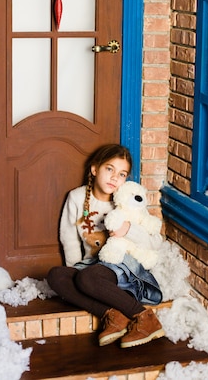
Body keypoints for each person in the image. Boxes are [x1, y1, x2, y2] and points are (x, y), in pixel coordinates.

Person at [47, 143, 165, 348]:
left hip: (125, 269)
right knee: (56, 275)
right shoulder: (76, 197)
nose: (114, 178)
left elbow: (155, 242)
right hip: (92, 269)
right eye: (109, 169)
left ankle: (145, 317)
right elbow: (69, 239)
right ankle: (114, 316)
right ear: (95, 169)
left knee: (88, 277)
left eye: (121, 174)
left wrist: (128, 229)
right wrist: (75, 271)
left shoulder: (128, 201)